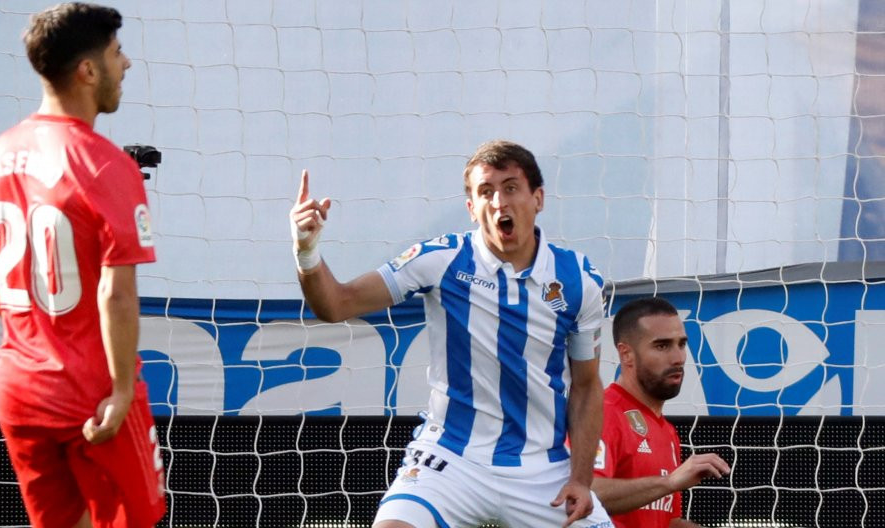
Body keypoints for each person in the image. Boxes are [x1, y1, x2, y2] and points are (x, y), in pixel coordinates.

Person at [291, 139, 614, 527]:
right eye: (486, 192)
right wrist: (306, 249)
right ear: (471, 208)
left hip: (541, 471)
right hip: (451, 459)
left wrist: (580, 479)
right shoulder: (441, 259)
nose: (499, 202)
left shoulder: (579, 280)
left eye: (511, 187)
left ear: (538, 199)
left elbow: (586, 385)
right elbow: (336, 304)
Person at [0, 3, 165, 527]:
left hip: (21, 389)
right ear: (88, 71)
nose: (127, 63)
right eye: (117, 53)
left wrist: (42, 337)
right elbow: (116, 293)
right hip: (93, 393)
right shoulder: (105, 163)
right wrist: (121, 390)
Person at [592, 297, 730, 527]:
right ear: (626, 354)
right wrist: (669, 482)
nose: (678, 358)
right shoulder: (603, 412)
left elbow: (666, 521)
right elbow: (585, 494)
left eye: (681, 344)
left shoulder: (667, 431)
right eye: (662, 346)